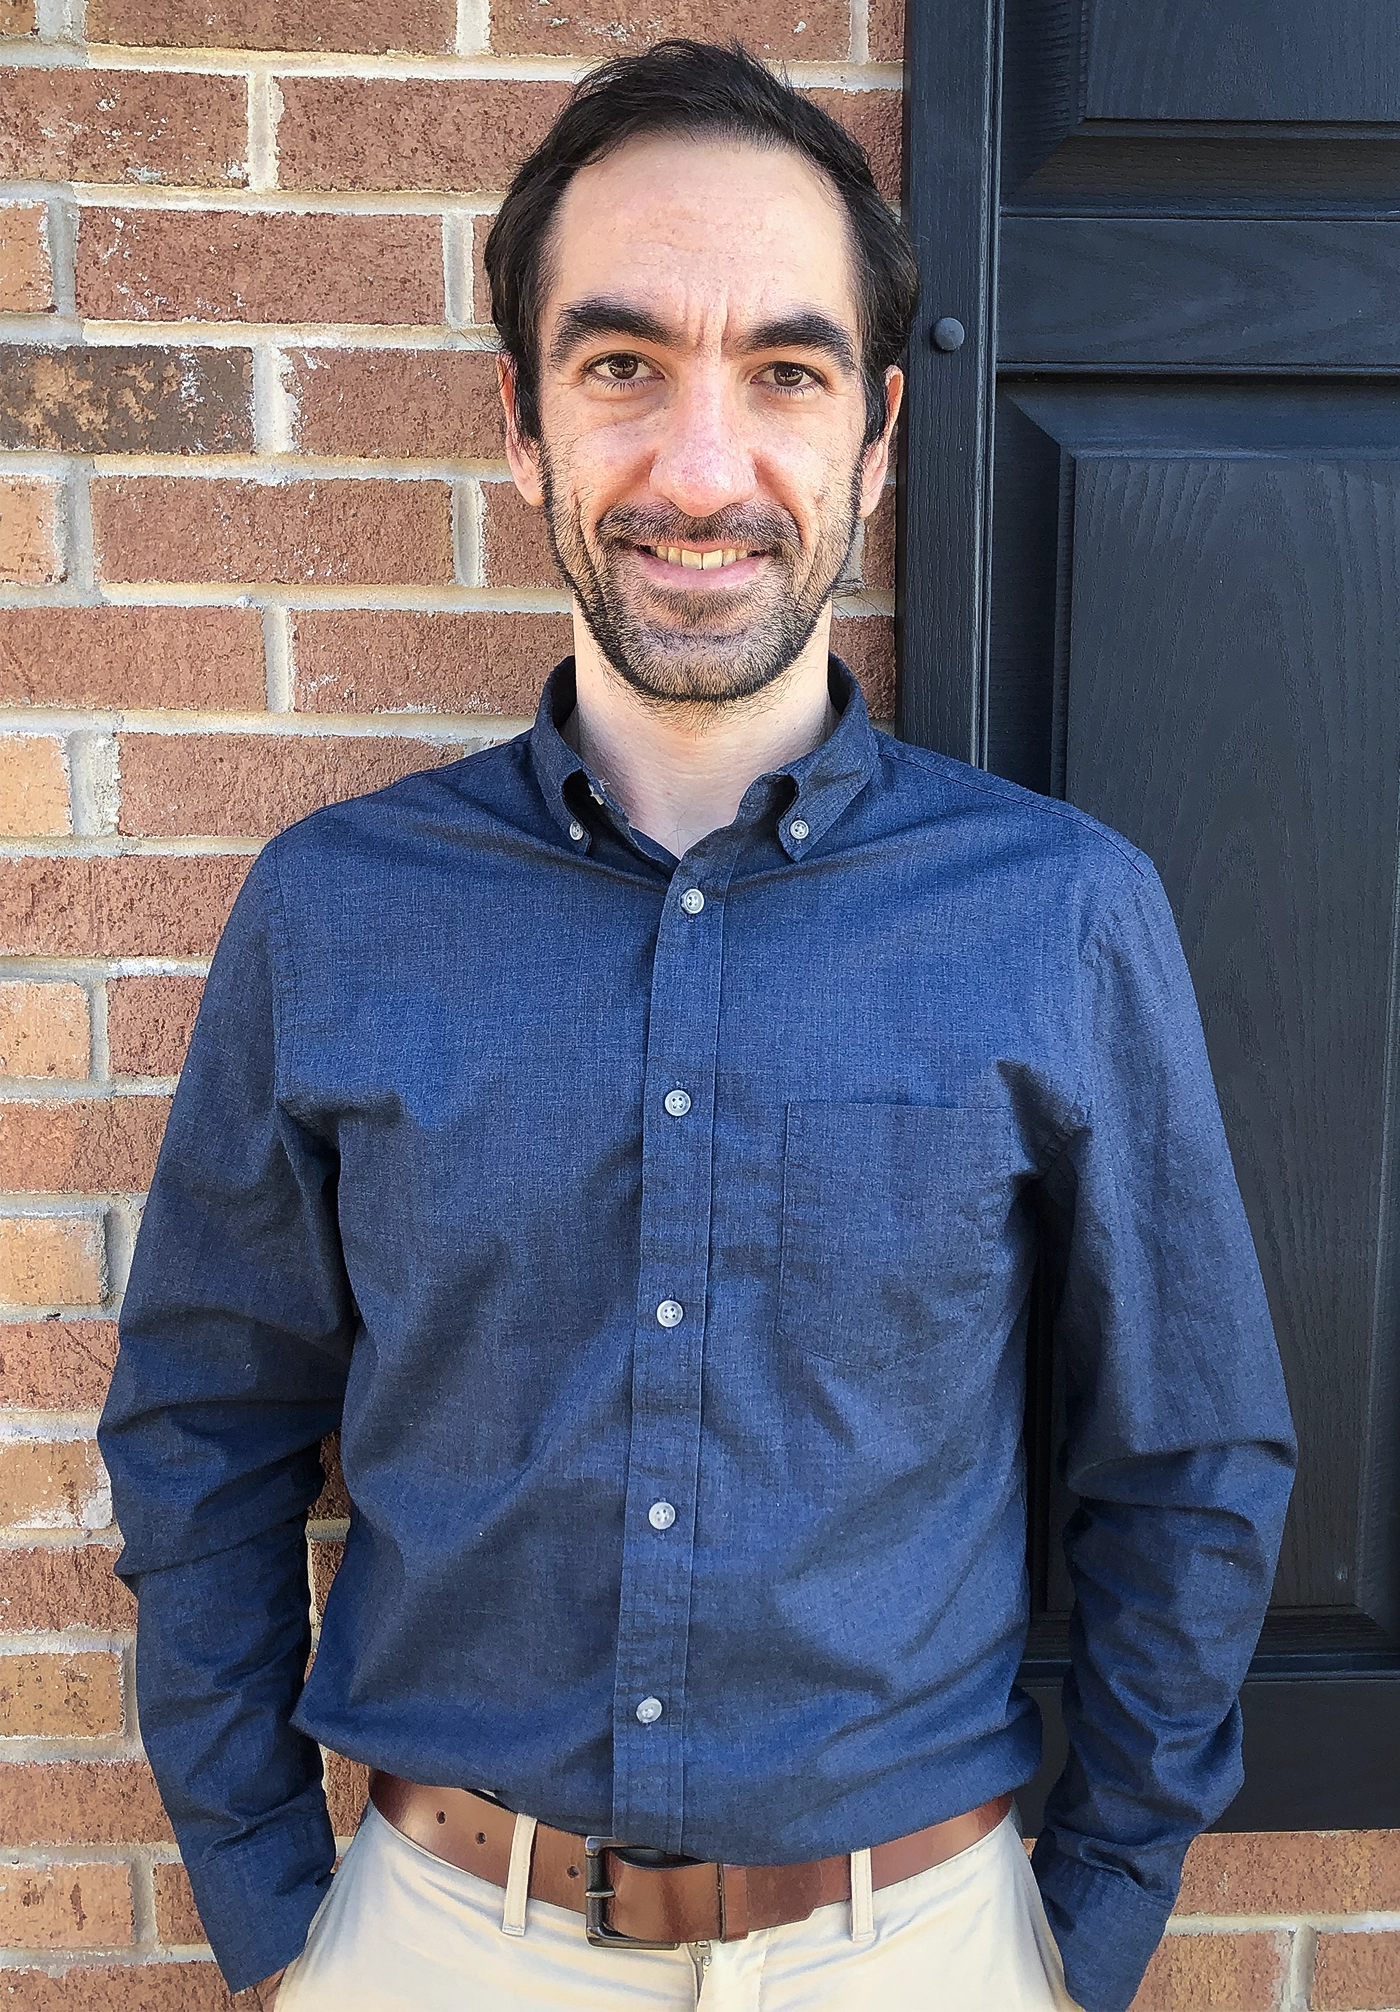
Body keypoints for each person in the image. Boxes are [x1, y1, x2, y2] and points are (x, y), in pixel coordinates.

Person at [98, 39, 1296, 2012]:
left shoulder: (1062, 916)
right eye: (622, 364)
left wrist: (1072, 1942)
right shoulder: (335, 911)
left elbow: (1191, 1457)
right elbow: (204, 1427)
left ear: (878, 438)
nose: (701, 466)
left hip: (914, 1950)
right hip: (434, 1948)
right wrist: (274, 1917)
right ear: (521, 425)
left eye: (787, 371)